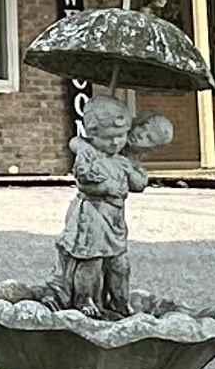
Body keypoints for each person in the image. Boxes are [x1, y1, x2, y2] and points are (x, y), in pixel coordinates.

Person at [56, 95, 164, 315]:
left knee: (120, 264)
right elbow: (84, 183)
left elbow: (138, 184)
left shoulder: (122, 159)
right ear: (93, 135)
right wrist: (106, 187)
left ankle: (119, 301)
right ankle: (84, 300)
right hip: (92, 216)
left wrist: (133, 173)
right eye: (108, 138)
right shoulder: (90, 155)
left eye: (120, 136)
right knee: (91, 262)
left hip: (114, 219)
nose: (115, 143)